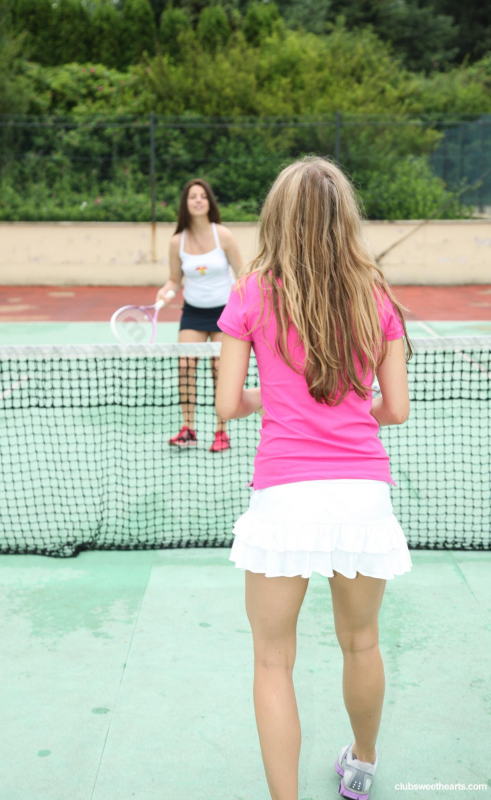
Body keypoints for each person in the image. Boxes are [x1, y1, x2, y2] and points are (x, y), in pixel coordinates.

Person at [214, 156, 414, 800]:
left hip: (284, 498)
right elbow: (396, 410)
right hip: (362, 496)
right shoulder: (375, 294)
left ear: (278, 218)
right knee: (361, 643)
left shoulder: (249, 293)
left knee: (273, 660)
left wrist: (270, 398)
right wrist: (349, 410)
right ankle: (361, 763)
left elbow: (226, 403)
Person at [155, 178, 243, 452]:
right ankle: (188, 429)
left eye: (202, 196)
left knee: (219, 371)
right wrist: (165, 291)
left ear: (209, 203)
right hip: (193, 313)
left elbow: (243, 276)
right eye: (192, 196)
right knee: (185, 367)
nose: (197, 200)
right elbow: (174, 279)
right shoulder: (176, 242)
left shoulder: (224, 235)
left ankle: (221, 431)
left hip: (223, 313)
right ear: (186, 204)